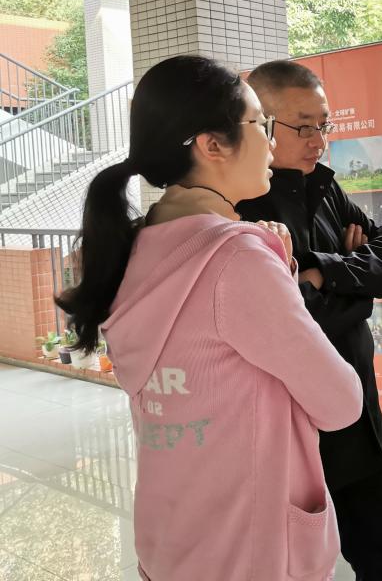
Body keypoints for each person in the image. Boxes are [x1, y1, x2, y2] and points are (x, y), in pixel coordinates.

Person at [55, 55, 363, 581]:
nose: (271, 144)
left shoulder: (132, 248)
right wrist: (278, 274)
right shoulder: (236, 261)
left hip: (171, 538)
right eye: (260, 124)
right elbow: (341, 403)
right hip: (250, 550)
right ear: (211, 145)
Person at [238, 60, 382, 581]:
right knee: (294, 560)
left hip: (356, 404)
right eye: (303, 126)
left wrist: (322, 271)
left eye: (324, 124)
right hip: (290, 419)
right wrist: (354, 288)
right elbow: (288, 319)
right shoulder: (243, 204)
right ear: (261, 124)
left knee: (380, 548)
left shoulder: (326, 188)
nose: (319, 140)